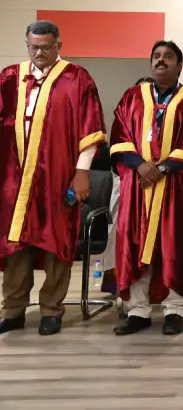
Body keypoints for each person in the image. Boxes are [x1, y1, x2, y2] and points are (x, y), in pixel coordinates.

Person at [0, 20, 106, 336]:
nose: (39, 53)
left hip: (57, 175)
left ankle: (51, 310)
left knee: (56, 243)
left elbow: (90, 129)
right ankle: (13, 310)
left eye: (46, 47)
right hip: (14, 179)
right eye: (34, 47)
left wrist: (82, 173)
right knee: (15, 244)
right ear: (27, 45)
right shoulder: (9, 77)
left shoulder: (77, 78)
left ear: (58, 45)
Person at [110, 41, 183, 336]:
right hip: (138, 186)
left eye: (168, 56)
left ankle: (174, 310)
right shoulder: (133, 96)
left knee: (174, 246)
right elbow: (120, 135)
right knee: (134, 244)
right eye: (157, 56)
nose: (161, 61)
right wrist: (139, 165)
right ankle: (138, 310)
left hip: (175, 186)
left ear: (179, 65)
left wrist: (163, 168)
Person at [100, 77, 156, 296]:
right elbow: (119, 146)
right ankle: (119, 283)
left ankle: (152, 285)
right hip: (126, 177)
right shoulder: (127, 113)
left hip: (158, 179)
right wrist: (138, 167)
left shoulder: (163, 114)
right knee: (120, 226)